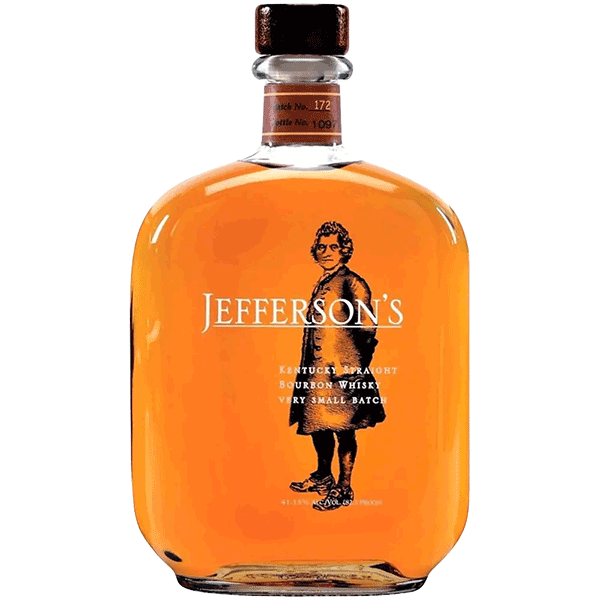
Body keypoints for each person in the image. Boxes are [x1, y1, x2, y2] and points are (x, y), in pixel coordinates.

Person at [289, 221, 385, 511]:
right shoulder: (323, 282)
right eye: (321, 247)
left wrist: (355, 367)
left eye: (333, 246)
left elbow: (367, 328)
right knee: (317, 425)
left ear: (344, 250)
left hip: (344, 372)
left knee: (344, 430)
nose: (326, 252)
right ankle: (323, 476)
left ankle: (344, 488)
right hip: (317, 371)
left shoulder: (353, 282)